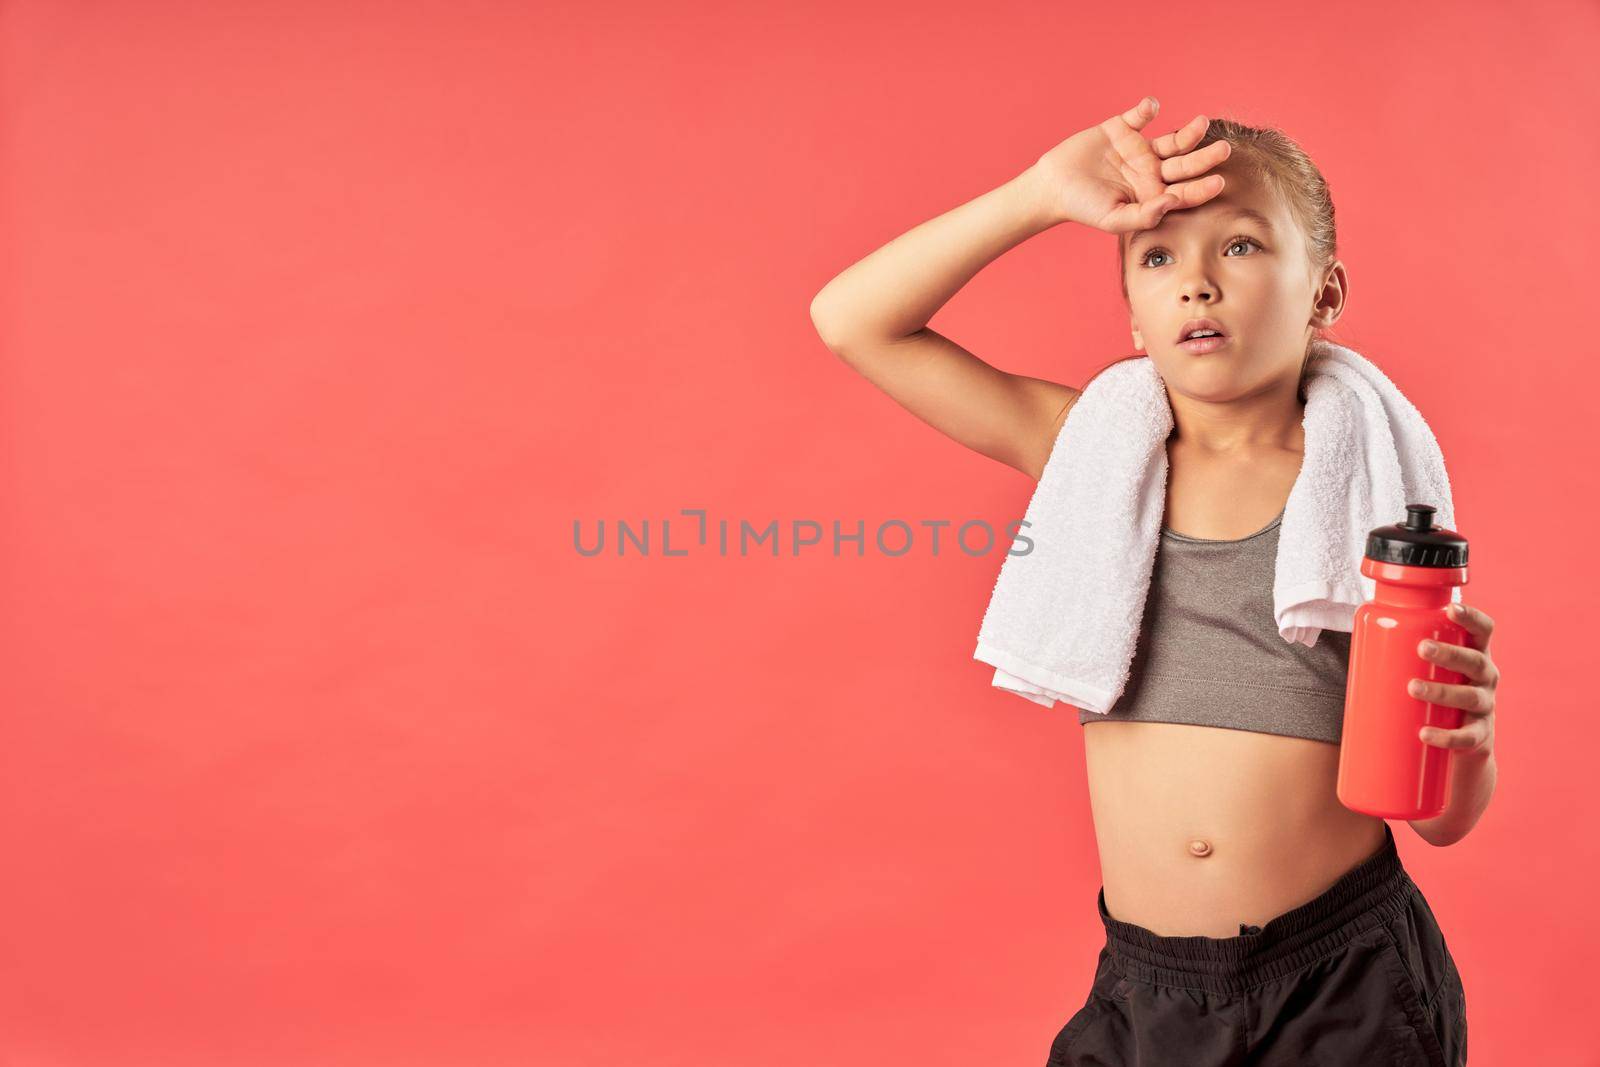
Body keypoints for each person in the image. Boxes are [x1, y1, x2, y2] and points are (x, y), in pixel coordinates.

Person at [809, 96, 1499, 1065]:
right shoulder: (1092, 455)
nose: (1197, 286)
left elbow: (1443, 822)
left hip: (1340, 978)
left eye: (1242, 247)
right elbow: (851, 321)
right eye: (1158, 257)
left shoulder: (1368, 496)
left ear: (1324, 293)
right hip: (1144, 987)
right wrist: (1039, 195)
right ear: (1132, 317)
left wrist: (1464, 743)